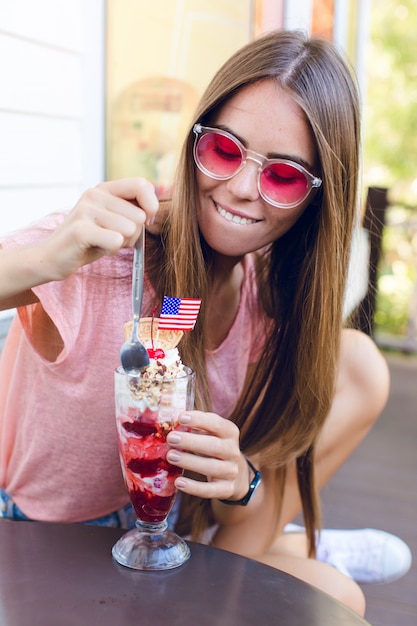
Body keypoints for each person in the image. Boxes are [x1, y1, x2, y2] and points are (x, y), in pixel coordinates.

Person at [0, 30, 411, 615]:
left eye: (284, 176)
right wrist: (46, 258)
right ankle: (304, 545)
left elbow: (182, 338)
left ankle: (291, 538)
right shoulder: (106, 253)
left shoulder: (264, 298)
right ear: (196, 140)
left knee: (333, 594)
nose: (242, 189)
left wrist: (241, 480)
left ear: (318, 198)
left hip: (167, 531)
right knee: (332, 591)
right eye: (224, 149)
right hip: (41, 540)